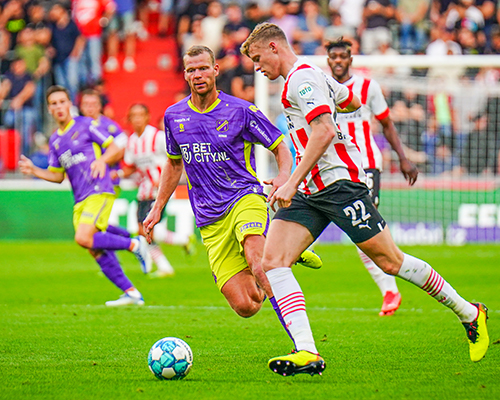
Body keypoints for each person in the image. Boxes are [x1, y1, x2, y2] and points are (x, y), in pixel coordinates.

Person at [240, 22, 489, 376]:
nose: (256, 67)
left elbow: (324, 131)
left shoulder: (301, 79)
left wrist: (291, 181)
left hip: (340, 185)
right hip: (312, 190)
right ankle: (307, 351)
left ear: (274, 47)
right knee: (273, 261)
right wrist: (296, 179)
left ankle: (469, 313)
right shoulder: (314, 77)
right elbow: (352, 100)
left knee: (391, 262)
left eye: (257, 57)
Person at [143, 45, 322, 319]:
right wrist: (157, 207)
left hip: (244, 197)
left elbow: (280, 146)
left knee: (258, 263)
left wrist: (285, 175)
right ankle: (281, 252)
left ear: (215, 70)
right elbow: (174, 163)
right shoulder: (174, 116)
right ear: (185, 75)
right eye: (191, 70)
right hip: (209, 216)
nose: (198, 74)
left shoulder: (241, 110)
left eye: (203, 68)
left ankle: (303, 345)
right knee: (247, 305)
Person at [18, 85, 152, 307]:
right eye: (54, 103)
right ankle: (131, 292)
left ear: (70, 104)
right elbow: (57, 176)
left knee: (82, 237)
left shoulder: (86, 125)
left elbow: (116, 147)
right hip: (80, 198)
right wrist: (34, 170)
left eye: (62, 101)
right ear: (49, 109)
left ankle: (134, 244)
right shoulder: (55, 141)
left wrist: (103, 160)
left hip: (99, 190)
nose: (59, 107)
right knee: (93, 247)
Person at [326, 38, 419, 316]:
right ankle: (391, 284)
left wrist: (403, 158)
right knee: (360, 232)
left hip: (365, 165)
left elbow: (387, 123)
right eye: (334, 56)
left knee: (365, 230)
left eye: (343, 56)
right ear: (328, 59)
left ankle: (391, 288)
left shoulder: (368, 87)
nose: (338, 60)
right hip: (334, 167)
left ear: (350, 59)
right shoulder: (320, 87)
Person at [117, 103, 194, 278]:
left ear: (147, 117)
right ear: (129, 119)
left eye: (140, 115)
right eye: (133, 115)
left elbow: (175, 156)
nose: (137, 119)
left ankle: (177, 246)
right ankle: (167, 263)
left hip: (159, 190)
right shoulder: (131, 142)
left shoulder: (158, 137)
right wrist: (118, 173)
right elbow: (129, 166)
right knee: (142, 230)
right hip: (143, 191)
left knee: (147, 229)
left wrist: (169, 178)